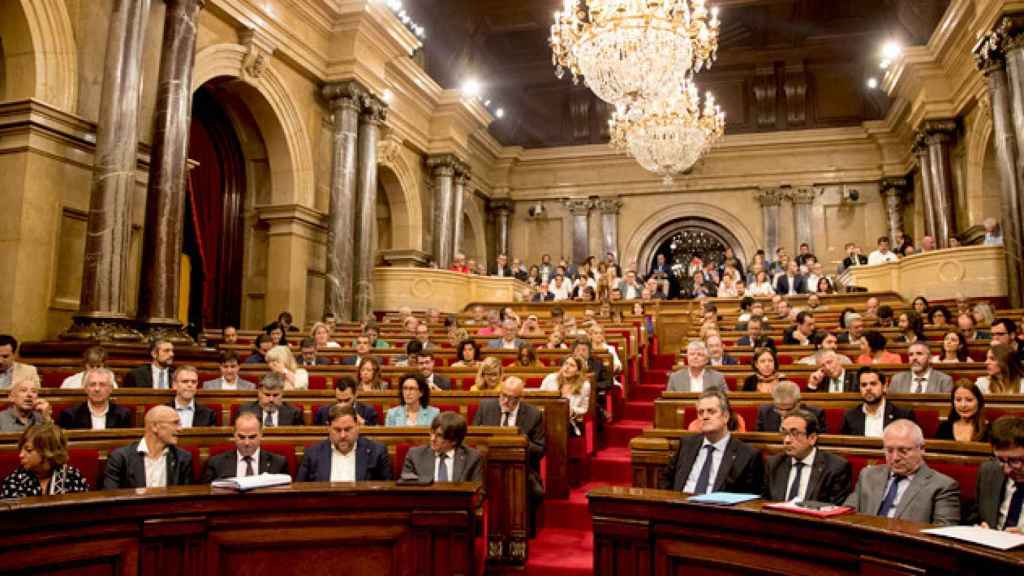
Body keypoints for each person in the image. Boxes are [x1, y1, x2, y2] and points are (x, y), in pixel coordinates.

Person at [844, 419, 960, 525]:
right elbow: (846, 515)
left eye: (903, 451)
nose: (895, 458)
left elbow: (943, 534)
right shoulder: (868, 475)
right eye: (889, 450)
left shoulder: (943, 486)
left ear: (922, 448)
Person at [473, 376, 545, 526]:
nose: (505, 401)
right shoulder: (486, 407)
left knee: (533, 491)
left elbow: (540, 450)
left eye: (511, 398)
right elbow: (474, 440)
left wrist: (520, 439)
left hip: (520, 468)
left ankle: (520, 527)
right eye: (503, 395)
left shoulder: (533, 414)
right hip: (486, 465)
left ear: (520, 397)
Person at [660, 389, 763, 494]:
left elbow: (751, 498)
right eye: (701, 412)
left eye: (711, 411)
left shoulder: (747, 454)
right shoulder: (686, 444)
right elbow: (666, 480)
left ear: (726, 416)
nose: (705, 417)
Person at [763, 409, 851, 504]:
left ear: (812, 438)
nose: (787, 440)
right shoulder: (774, 464)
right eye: (784, 433)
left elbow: (834, 509)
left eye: (795, 433)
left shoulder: (835, 467)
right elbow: (764, 503)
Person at [102, 405, 193, 489]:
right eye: (175, 423)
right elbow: (111, 497)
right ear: (154, 426)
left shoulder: (183, 458)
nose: (180, 429)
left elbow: (185, 500)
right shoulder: (120, 458)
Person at [296, 404, 392, 482]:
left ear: (357, 426)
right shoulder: (312, 454)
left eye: (348, 429)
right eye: (337, 430)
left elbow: (388, 493)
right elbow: (300, 492)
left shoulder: (377, 452)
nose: (343, 435)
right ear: (328, 428)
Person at [1, 423, 90, 498]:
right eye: (21, 449)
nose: (21, 455)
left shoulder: (72, 476)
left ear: (47, 452)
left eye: (28, 450)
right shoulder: (15, 480)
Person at [201, 411, 289, 481]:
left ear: (261, 434)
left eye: (252, 437)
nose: (247, 443)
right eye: (241, 437)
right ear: (234, 435)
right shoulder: (216, 463)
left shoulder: (278, 463)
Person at [974, 416, 1024, 531]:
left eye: (1015, 460)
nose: (1006, 470)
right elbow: (975, 517)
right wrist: (978, 529)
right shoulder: (989, 471)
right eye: (1001, 460)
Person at [402, 411, 483, 483]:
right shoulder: (415, 455)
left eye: (439, 436)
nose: (432, 439)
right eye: (432, 433)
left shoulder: (472, 458)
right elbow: (405, 490)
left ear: (454, 441)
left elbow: (478, 492)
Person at [841, 367, 916, 437]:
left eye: (873, 384)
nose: (868, 388)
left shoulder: (903, 416)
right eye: (864, 385)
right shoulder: (850, 416)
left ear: (884, 387)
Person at [58, 368, 132, 430]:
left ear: (111, 389)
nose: (97, 389)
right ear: (85, 389)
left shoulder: (123, 415)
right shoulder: (70, 415)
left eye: (102, 384)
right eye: (92, 384)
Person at [540, 355, 591, 436]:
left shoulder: (584, 385)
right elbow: (539, 399)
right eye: (566, 363)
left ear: (578, 371)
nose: (567, 367)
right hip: (547, 418)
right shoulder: (550, 378)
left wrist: (573, 411)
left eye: (572, 365)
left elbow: (584, 408)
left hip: (568, 421)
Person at [755, 381, 826, 433]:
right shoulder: (764, 412)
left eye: (788, 409)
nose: (784, 414)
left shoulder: (815, 413)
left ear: (798, 402)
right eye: (779, 409)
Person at [239, 372, 304, 427]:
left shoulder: (294, 413)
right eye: (267, 395)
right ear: (259, 393)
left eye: (275, 395)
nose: (271, 399)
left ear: (282, 393)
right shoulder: (245, 411)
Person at [889, 342, 953, 394]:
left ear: (930, 358)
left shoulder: (944, 380)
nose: (914, 358)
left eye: (919, 354)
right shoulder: (897, 380)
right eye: (911, 354)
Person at [314, 376, 379, 426]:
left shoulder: (368, 412)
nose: (343, 404)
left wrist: (362, 422)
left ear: (356, 394)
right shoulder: (323, 412)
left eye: (347, 400)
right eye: (339, 400)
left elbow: (376, 435)